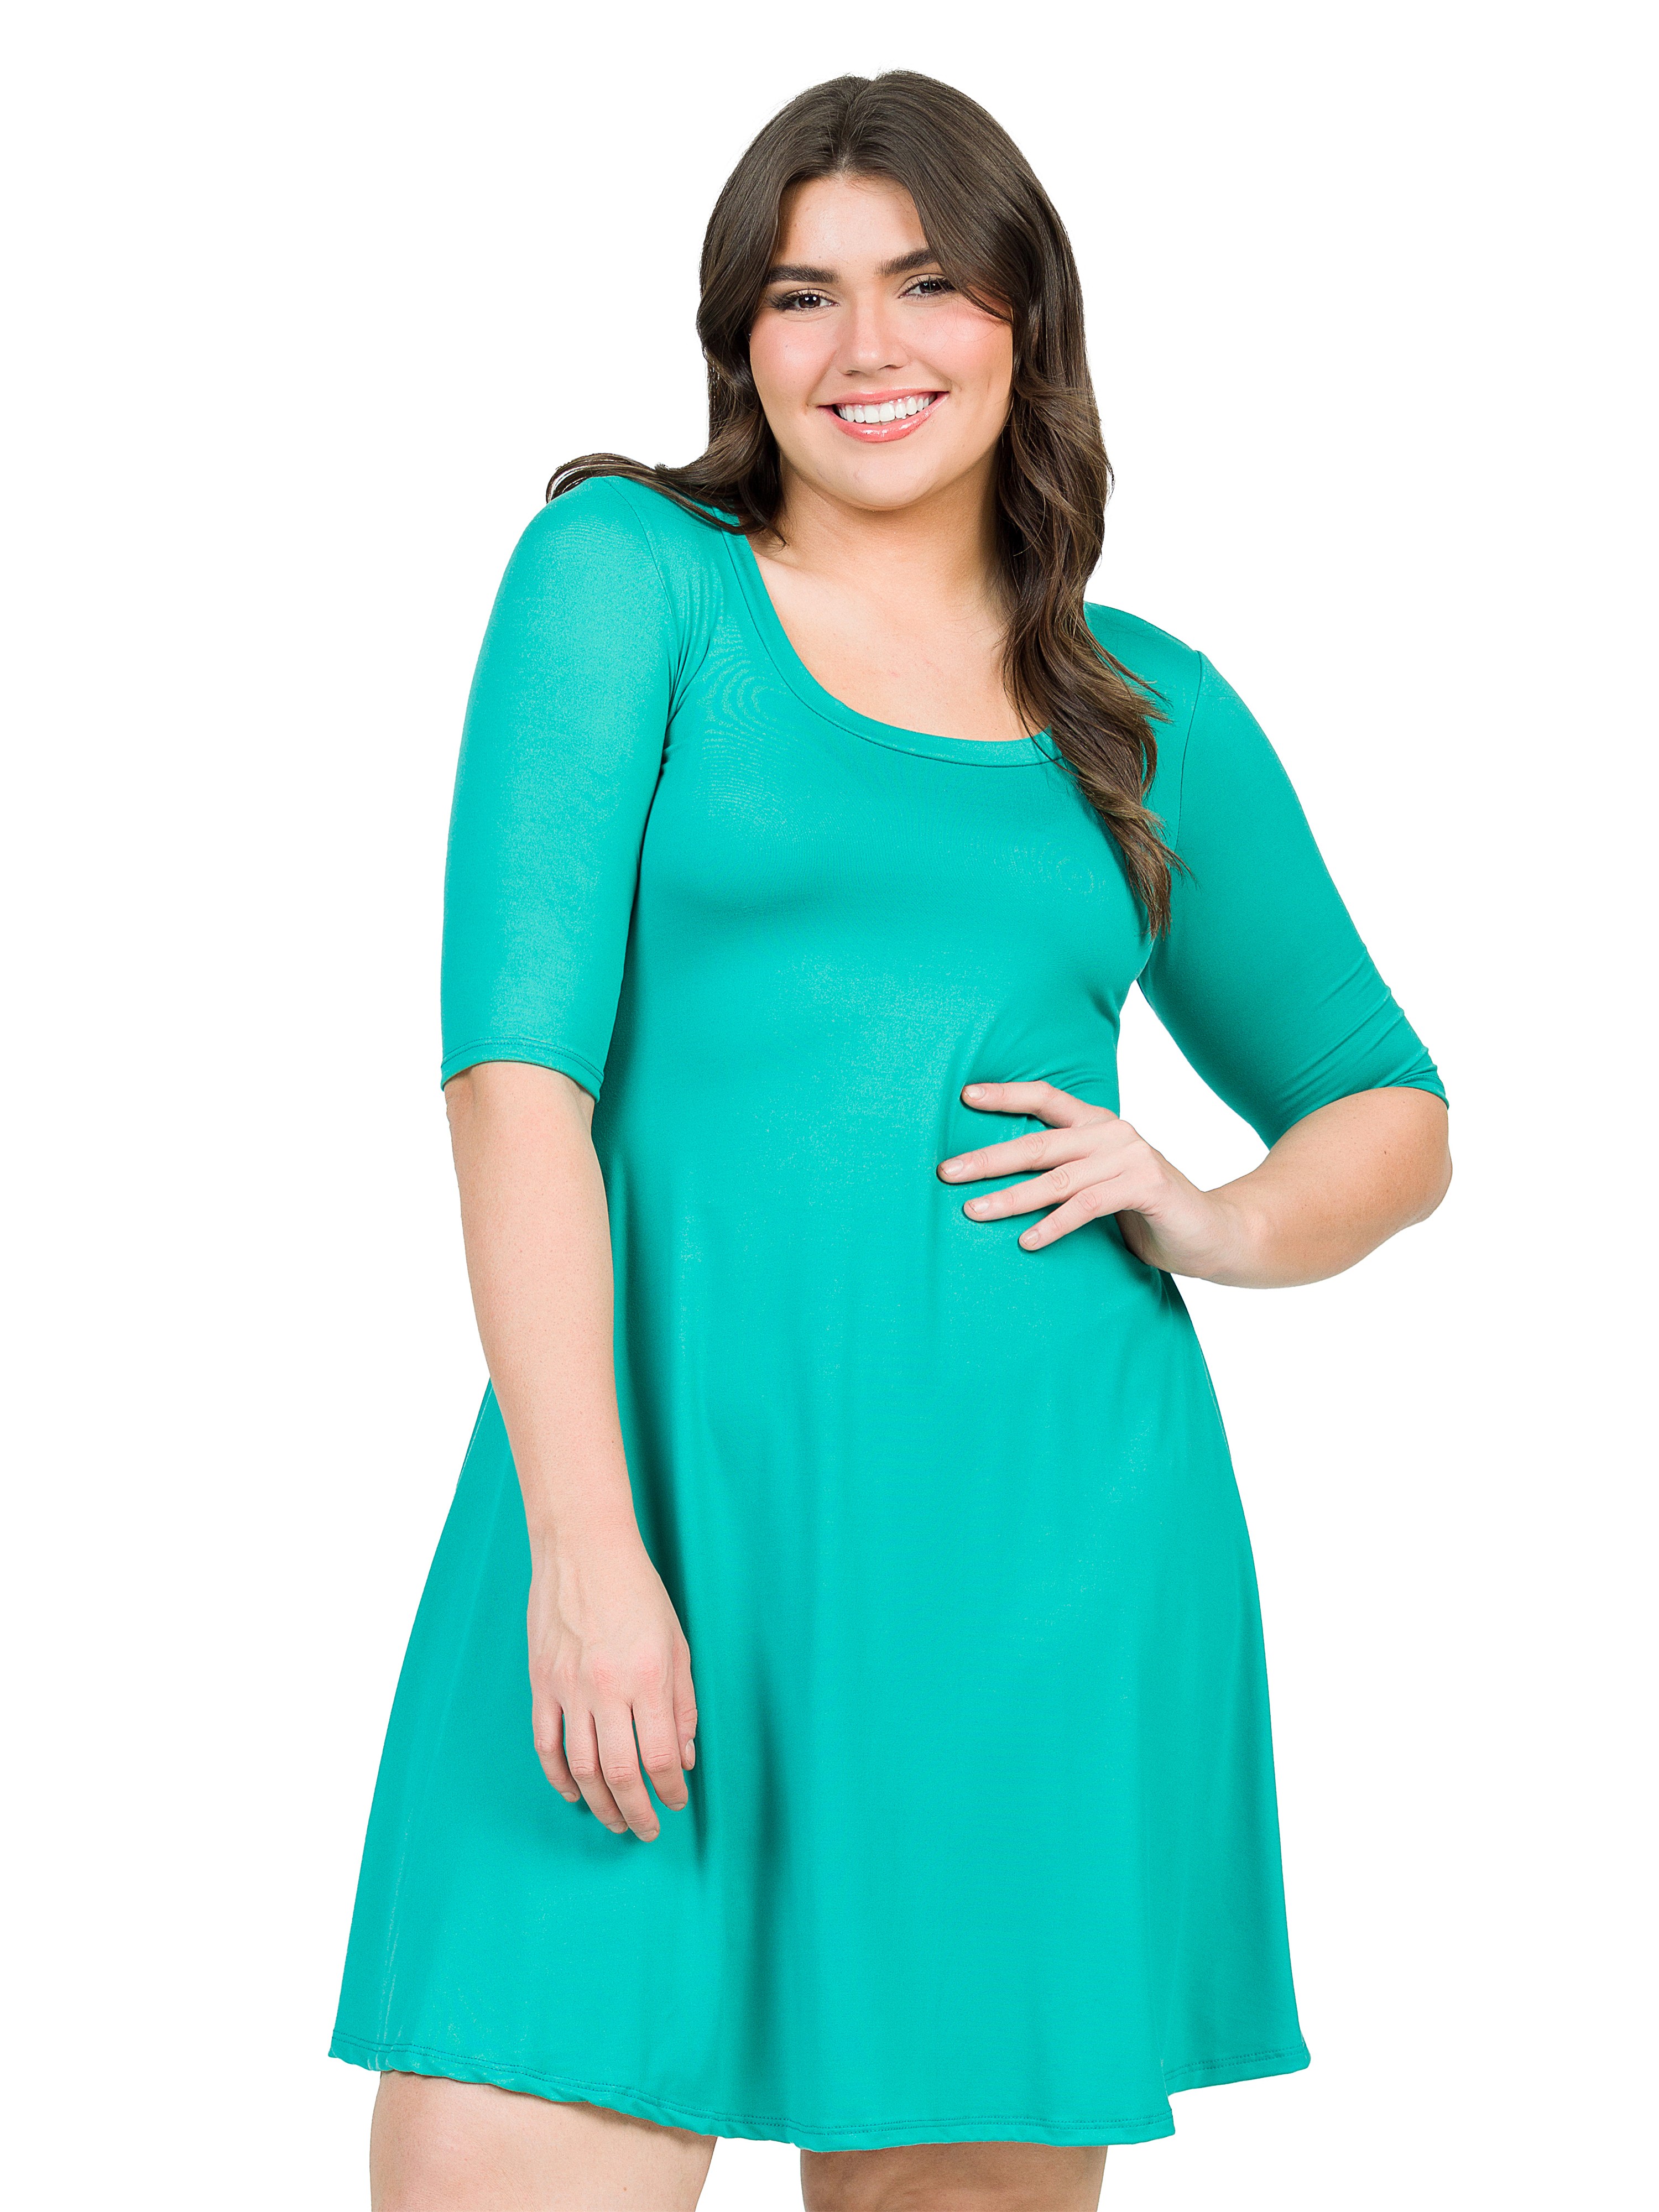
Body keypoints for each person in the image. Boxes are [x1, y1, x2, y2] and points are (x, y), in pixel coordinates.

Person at [330, 69, 1451, 2212]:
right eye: (802, 295)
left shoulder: (1140, 709)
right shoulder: (625, 578)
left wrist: (1209, 1213)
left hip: (1027, 1558)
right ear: (740, 344)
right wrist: (588, 1548)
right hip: (646, 1522)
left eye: (929, 285)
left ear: (1027, 319)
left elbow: (1389, 1110)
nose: (867, 346)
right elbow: (511, 1080)